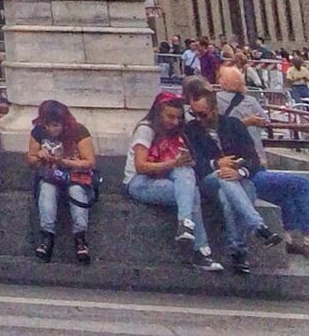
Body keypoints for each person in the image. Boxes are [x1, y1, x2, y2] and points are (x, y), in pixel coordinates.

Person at [181, 76, 278, 273]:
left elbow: (252, 158)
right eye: (194, 114)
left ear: (215, 109)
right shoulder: (190, 130)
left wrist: (239, 171)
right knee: (222, 177)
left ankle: (238, 251)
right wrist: (217, 163)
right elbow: (194, 162)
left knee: (228, 197)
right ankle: (258, 227)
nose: (198, 119)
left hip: (239, 180)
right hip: (209, 181)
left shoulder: (234, 125)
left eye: (203, 114)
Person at [213, 63, 309, 254]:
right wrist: (247, 123)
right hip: (248, 170)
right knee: (299, 184)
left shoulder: (215, 102)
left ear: (221, 82)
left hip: (243, 168)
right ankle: (304, 236)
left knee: (285, 191)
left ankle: (291, 238)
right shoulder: (249, 101)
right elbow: (266, 122)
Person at [125, 91, 219, 267]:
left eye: (178, 118)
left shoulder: (177, 132)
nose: (174, 122)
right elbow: (140, 166)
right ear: (159, 113)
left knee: (186, 174)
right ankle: (200, 248)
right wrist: (173, 163)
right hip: (139, 181)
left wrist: (184, 162)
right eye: (170, 117)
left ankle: (186, 224)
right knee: (191, 193)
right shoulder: (146, 129)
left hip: (166, 177)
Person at [24, 97, 95, 264]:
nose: (52, 129)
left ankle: (80, 238)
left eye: (56, 125)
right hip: (50, 175)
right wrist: (39, 157)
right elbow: (30, 160)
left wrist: (64, 162)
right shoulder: (38, 132)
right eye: (48, 125)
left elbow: (90, 162)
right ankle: (47, 236)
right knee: (47, 190)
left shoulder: (79, 131)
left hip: (75, 175)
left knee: (76, 192)